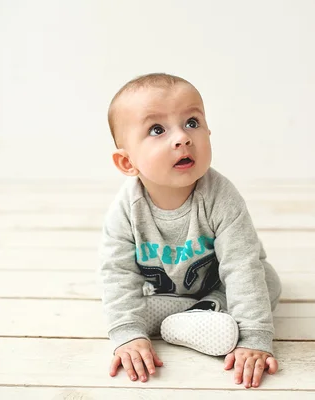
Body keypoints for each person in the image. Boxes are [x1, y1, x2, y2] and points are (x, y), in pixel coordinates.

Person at [99, 73, 282, 388]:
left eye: (192, 123)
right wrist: (128, 332)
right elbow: (117, 272)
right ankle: (190, 315)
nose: (182, 138)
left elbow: (241, 266)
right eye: (157, 130)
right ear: (128, 163)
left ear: (209, 131)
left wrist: (253, 337)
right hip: (166, 286)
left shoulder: (221, 197)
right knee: (128, 303)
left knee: (267, 282)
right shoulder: (126, 209)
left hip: (220, 283)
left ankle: (198, 310)